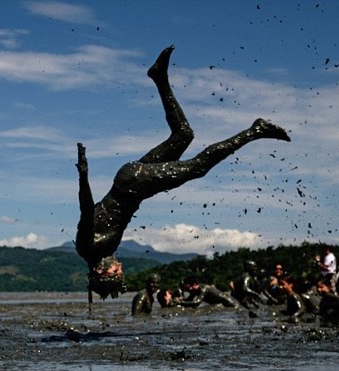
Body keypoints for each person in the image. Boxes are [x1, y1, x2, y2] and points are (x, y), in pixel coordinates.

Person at [76, 45, 291, 299]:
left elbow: (87, 209)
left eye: (117, 271)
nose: (121, 267)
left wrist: (84, 174)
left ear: (105, 272)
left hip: (133, 183)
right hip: (131, 180)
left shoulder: (91, 247)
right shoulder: (98, 251)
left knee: (198, 167)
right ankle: (159, 77)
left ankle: (256, 130)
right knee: (184, 135)